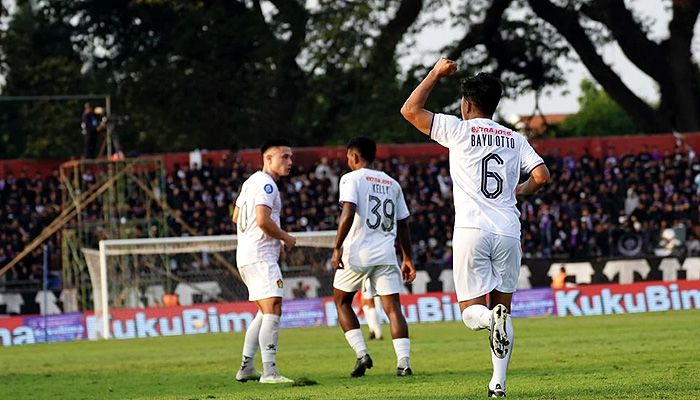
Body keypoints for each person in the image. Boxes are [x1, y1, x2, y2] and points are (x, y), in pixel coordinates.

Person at [401, 58, 551, 397]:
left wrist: (436, 73)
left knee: (472, 314)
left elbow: (411, 110)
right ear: (495, 105)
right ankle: (498, 384)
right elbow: (542, 176)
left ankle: (489, 320)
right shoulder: (515, 138)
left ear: (467, 104)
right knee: (504, 310)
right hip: (509, 230)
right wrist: (520, 190)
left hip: (471, 229)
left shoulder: (457, 129)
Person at [332, 136, 417, 377]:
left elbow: (348, 212)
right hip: (387, 254)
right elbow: (403, 223)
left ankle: (362, 353)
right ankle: (404, 362)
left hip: (358, 252)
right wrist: (407, 258)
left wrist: (337, 246)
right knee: (393, 310)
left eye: (348, 156)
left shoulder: (350, 178)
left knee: (341, 301)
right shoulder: (392, 183)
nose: (348, 160)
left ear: (355, 157)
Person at [232, 139, 296, 384]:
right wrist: (285, 238)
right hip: (261, 256)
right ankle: (270, 371)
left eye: (290, 157)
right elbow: (262, 220)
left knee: (263, 311)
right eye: (284, 157)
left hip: (247, 254)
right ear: (268, 159)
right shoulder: (268, 185)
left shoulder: (250, 182)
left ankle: (247, 366)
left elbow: (236, 215)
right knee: (274, 308)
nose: (290, 162)